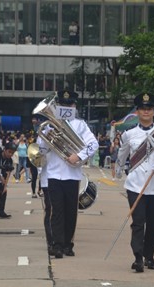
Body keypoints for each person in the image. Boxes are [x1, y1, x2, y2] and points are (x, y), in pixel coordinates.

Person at [38, 90, 98, 259]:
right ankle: (57, 245)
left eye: (69, 105)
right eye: (62, 105)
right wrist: (45, 139)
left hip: (72, 174)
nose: (66, 107)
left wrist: (78, 156)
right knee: (56, 211)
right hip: (54, 173)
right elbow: (41, 150)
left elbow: (93, 144)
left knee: (71, 211)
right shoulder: (49, 125)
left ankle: (68, 244)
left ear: (74, 106)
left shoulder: (80, 125)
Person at [115, 93, 154, 272]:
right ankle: (138, 256)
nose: (146, 112)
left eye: (149, 109)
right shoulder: (129, 134)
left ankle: (149, 256)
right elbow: (122, 156)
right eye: (142, 109)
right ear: (137, 111)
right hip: (135, 185)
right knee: (138, 222)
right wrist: (117, 171)